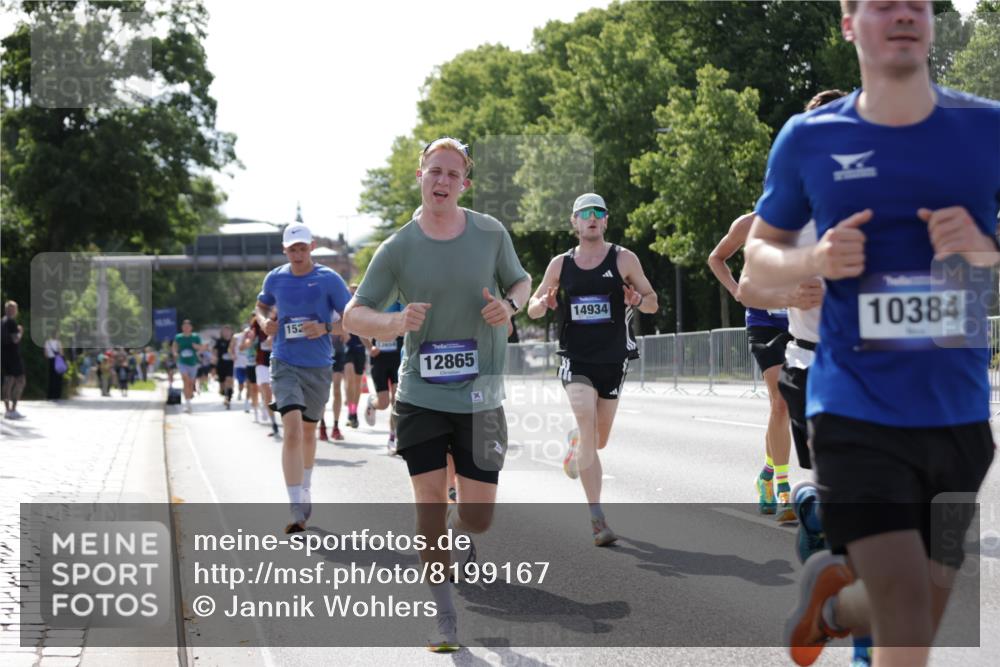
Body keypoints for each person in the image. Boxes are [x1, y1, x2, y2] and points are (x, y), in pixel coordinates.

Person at [743, 3, 999, 665]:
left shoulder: (986, 127)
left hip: (960, 416)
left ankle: (829, 605)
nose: (904, 14)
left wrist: (984, 247)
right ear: (849, 22)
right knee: (907, 611)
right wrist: (815, 260)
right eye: (882, 3)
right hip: (855, 411)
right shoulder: (809, 138)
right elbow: (756, 260)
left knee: (912, 615)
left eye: (917, 1)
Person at [344, 136, 531, 653]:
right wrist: (393, 320)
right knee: (426, 499)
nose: (443, 181)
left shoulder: (490, 233)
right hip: (421, 392)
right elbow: (353, 314)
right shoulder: (398, 247)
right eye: (435, 171)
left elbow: (521, 283)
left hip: (482, 394)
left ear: (464, 184)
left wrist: (510, 308)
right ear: (420, 177)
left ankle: (458, 522)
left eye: (453, 174)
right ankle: (444, 616)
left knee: (478, 515)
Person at [527, 192, 657, 546]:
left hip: (614, 359)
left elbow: (653, 302)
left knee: (597, 439)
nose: (592, 218)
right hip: (576, 358)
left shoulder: (623, 259)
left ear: (606, 220)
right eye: (585, 213)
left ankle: (576, 445)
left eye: (598, 212)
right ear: (574, 222)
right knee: (586, 421)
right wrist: (545, 301)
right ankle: (597, 518)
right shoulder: (560, 264)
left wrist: (637, 299)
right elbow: (533, 308)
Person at [255, 221, 351, 534]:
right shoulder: (276, 278)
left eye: (302, 248)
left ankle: (305, 487)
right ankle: (295, 506)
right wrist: (263, 322)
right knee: (292, 430)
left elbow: (349, 321)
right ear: (285, 251)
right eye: (292, 249)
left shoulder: (329, 279)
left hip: (319, 365)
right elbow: (261, 306)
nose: (297, 254)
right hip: (284, 361)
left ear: (310, 248)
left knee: (309, 432)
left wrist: (325, 328)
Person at [709, 213, 796, 521]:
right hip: (763, 323)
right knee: (780, 402)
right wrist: (736, 290)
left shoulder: (810, 218)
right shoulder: (748, 224)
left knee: (799, 406)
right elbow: (716, 258)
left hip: (801, 322)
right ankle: (784, 489)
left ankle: (768, 473)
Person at [363, 302, 404, 454]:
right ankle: (373, 403)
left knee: (396, 400)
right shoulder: (376, 301)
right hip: (379, 359)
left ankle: (393, 437)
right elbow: (360, 330)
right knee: (384, 403)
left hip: (397, 359)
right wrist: (370, 347)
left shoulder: (401, 302)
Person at [173, 319, 206, 413]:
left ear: (191, 328)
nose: (186, 328)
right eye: (184, 326)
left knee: (190, 383)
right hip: (182, 361)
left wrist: (197, 347)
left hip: (193, 362)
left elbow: (202, 348)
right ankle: (187, 403)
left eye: (188, 326)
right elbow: (174, 347)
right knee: (185, 380)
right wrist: (175, 353)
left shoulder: (195, 337)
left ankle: (188, 401)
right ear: (182, 328)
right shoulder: (178, 337)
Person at [1, 301, 27, 419]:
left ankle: (7, 410)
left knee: (8, 381)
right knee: (20, 380)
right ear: (12, 310)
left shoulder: (2, 321)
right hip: (13, 356)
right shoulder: (11, 322)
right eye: (15, 309)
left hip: (4, 355)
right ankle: (13, 409)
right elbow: (16, 339)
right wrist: (20, 332)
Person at [214, 325, 236, 409]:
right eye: (225, 331)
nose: (226, 333)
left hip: (230, 364)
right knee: (222, 384)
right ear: (222, 333)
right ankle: (224, 392)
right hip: (220, 364)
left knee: (229, 380)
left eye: (228, 331)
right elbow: (215, 351)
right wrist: (214, 358)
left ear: (231, 332)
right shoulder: (219, 341)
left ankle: (228, 398)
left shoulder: (233, 341)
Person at [43, 329, 64, 400]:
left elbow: (45, 354)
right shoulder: (58, 342)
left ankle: (50, 395)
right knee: (57, 378)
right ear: (56, 335)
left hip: (50, 361)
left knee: (51, 378)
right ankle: (57, 395)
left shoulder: (47, 342)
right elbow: (61, 353)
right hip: (57, 361)